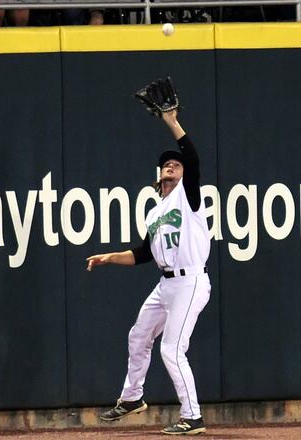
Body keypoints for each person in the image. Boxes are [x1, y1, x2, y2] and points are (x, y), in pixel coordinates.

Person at [86, 109, 211, 435]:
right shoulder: (156, 211)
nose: (171, 165)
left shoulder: (188, 196)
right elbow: (144, 254)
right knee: (139, 334)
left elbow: (193, 160)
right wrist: (110, 257)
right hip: (166, 284)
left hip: (191, 281)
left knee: (171, 349)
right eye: (167, 164)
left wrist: (171, 121)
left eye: (177, 164)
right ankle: (132, 398)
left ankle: (192, 416)